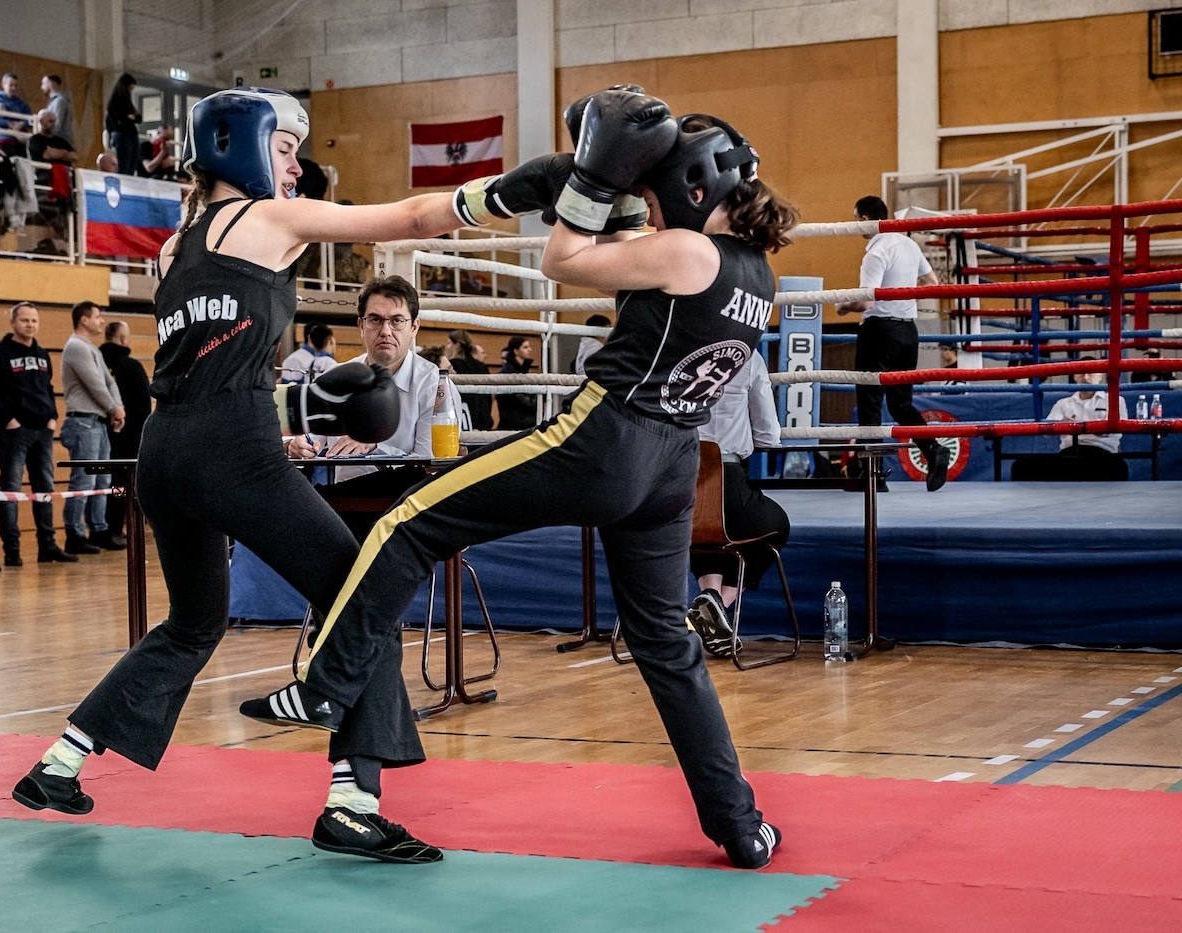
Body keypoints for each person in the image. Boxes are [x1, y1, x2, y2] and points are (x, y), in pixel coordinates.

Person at [244, 90, 798, 870]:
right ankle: (741, 823)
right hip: (672, 463)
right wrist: (578, 183)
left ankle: (328, 682)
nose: (647, 200)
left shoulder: (687, 252)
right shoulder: (755, 275)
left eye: (652, 189)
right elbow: (633, 272)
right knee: (664, 643)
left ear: (691, 186)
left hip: (605, 441)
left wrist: (592, 183)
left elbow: (560, 261)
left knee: (410, 520)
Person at [10, 86, 513, 865]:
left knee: (192, 621)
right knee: (360, 595)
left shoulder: (175, 247)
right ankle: (353, 800)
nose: (297, 165)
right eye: (284, 148)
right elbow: (412, 220)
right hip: (229, 449)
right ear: (238, 145)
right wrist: (510, 192)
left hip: (165, 452)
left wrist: (299, 403)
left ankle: (62, 760)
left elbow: (211, 359)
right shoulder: (269, 219)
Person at [290, 276, 443, 539]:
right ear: (361, 325)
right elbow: (310, 435)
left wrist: (375, 446)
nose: (386, 330)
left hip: (405, 514)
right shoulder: (338, 375)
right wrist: (298, 443)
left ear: (414, 326)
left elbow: (430, 464)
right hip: (344, 511)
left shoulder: (434, 383)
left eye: (396, 321)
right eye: (375, 320)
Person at [834, 196, 950, 491]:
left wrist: (843, 307)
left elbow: (864, 301)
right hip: (908, 333)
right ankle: (933, 449)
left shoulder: (875, 252)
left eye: (855, 218)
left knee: (870, 404)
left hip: (879, 331)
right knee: (901, 404)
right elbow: (932, 283)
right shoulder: (909, 244)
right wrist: (902, 297)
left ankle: (873, 479)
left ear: (864, 218)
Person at [684, 352, 789, 658]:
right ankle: (718, 604)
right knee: (774, 526)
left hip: (669, 484)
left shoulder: (674, 348)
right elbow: (768, 434)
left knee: (699, 530)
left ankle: (710, 602)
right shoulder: (745, 355)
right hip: (725, 478)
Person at [0, 302, 76, 566]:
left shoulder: (42, 354)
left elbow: (48, 387)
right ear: (13, 322)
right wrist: (8, 419)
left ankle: (48, 547)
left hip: (42, 432)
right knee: (11, 490)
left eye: (34, 320)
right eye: (25, 320)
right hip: (13, 434)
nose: (30, 324)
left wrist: (52, 417)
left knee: (45, 489)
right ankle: (12, 551)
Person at [59, 301, 126, 554]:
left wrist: (117, 407)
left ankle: (98, 529)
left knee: (102, 479)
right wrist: (113, 408)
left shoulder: (92, 348)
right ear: (84, 320)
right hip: (84, 422)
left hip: (98, 421)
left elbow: (109, 382)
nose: (101, 321)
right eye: (97, 316)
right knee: (83, 481)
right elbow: (95, 383)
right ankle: (74, 534)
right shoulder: (76, 346)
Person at [1013, 363, 1129, 481]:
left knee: (1117, 467)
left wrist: (1074, 427)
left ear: (1100, 376)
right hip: (1069, 454)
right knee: (1021, 465)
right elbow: (1047, 430)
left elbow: (1118, 428)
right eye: (1081, 373)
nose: (1085, 378)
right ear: (1075, 377)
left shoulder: (1115, 400)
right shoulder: (1063, 403)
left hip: (1102, 453)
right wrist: (1083, 427)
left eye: (1090, 373)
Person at [99, 320, 152, 537]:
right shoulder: (132, 367)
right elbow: (143, 406)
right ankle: (121, 527)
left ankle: (102, 528)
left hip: (102, 433)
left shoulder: (97, 363)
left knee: (105, 483)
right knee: (125, 484)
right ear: (123, 338)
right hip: (130, 437)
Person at [446, 329, 492, 430]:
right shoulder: (482, 366)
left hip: (464, 419)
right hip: (483, 418)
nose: (447, 347)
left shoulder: (453, 365)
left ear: (457, 345)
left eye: (449, 343)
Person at [0, 72, 32, 157]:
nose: (13, 88)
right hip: (2, 140)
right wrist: (8, 124)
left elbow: (30, 120)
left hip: (20, 141)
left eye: (16, 85)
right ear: (3, 84)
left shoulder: (22, 103)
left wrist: (22, 124)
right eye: (11, 85)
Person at [495, 335, 537, 430]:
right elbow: (516, 398)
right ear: (516, 351)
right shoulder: (507, 371)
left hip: (526, 421)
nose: (529, 350)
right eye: (525, 347)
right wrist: (536, 402)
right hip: (514, 423)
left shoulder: (524, 370)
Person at [105, 73, 140, 175]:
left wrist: (130, 118)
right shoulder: (114, 102)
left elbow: (136, 117)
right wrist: (128, 118)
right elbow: (119, 119)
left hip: (130, 134)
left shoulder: (127, 101)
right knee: (124, 164)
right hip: (122, 135)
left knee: (131, 164)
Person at [40, 74, 75, 148]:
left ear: (50, 84)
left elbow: (56, 126)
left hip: (61, 142)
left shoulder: (59, 101)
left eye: (43, 83)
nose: (41, 87)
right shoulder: (54, 102)